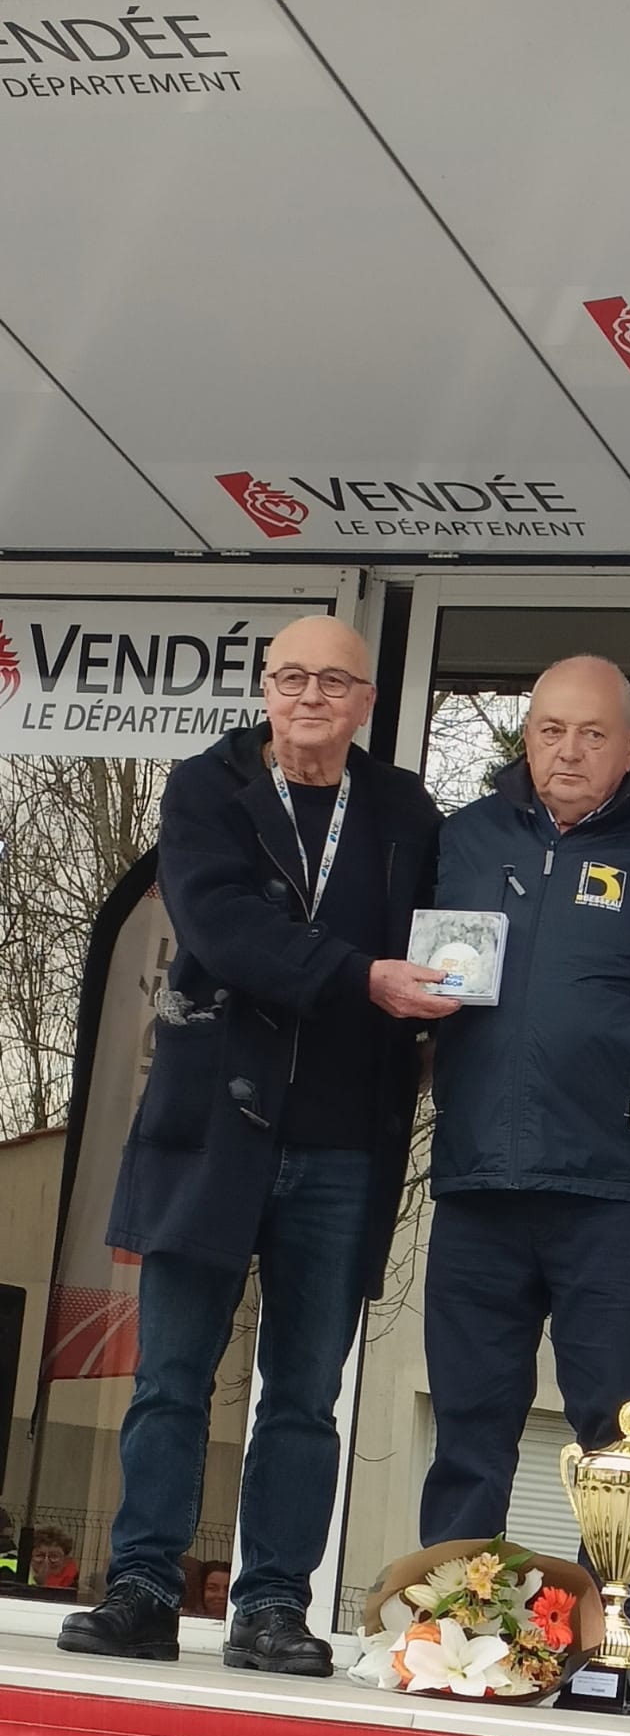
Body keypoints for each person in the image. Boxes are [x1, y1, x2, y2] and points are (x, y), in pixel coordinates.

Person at [60, 615, 449, 1673]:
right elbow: (220, 927)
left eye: (333, 681)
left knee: (304, 1395)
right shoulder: (204, 787)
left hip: (341, 1143)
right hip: (208, 1132)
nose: (309, 697)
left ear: (368, 700)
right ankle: (142, 1585)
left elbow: (441, 946)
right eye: (289, 677)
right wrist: (361, 977)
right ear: (264, 687)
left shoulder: (407, 811)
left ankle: (274, 1602)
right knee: (171, 1378)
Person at [419, 655, 630, 1673]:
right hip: (479, 1179)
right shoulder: (463, 841)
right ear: (526, 738)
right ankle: (453, 1625)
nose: (566, 751)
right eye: (548, 730)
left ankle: (622, 1639)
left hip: (611, 1188)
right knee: (470, 1426)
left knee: (618, 1431)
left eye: (590, 734)